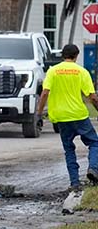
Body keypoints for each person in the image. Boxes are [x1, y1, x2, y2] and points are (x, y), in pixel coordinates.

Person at [35, 43, 98, 190]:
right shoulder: (82, 72)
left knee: (69, 149)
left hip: (61, 117)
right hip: (79, 115)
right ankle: (93, 169)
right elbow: (93, 97)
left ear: (62, 55)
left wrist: (39, 112)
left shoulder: (53, 71)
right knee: (94, 143)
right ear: (76, 56)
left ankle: (74, 183)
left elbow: (44, 93)